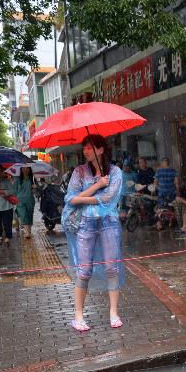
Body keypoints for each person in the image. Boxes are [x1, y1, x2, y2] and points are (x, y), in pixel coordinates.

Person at [62, 134, 125, 332]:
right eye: (84, 147)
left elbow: (109, 198)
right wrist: (97, 185)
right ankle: (78, 316)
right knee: (84, 270)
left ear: (100, 149)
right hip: (85, 224)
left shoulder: (115, 172)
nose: (86, 150)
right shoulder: (79, 172)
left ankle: (114, 312)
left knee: (111, 268)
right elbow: (69, 199)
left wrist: (82, 196)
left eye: (90, 147)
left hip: (109, 223)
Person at [13, 165, 37, 239]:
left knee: (29, 215)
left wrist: (34, 189)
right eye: (23, 168)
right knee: (23, 215)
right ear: (21, 169)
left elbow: (36, 191)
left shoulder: (32, 179)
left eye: (27, 168)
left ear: (29, 169)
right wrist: (15, 199)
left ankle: (28, 231)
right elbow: (14, 190)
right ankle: (27, 232)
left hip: (30, 200)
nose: (25, 169)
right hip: (20, 201)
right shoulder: (17, 179)